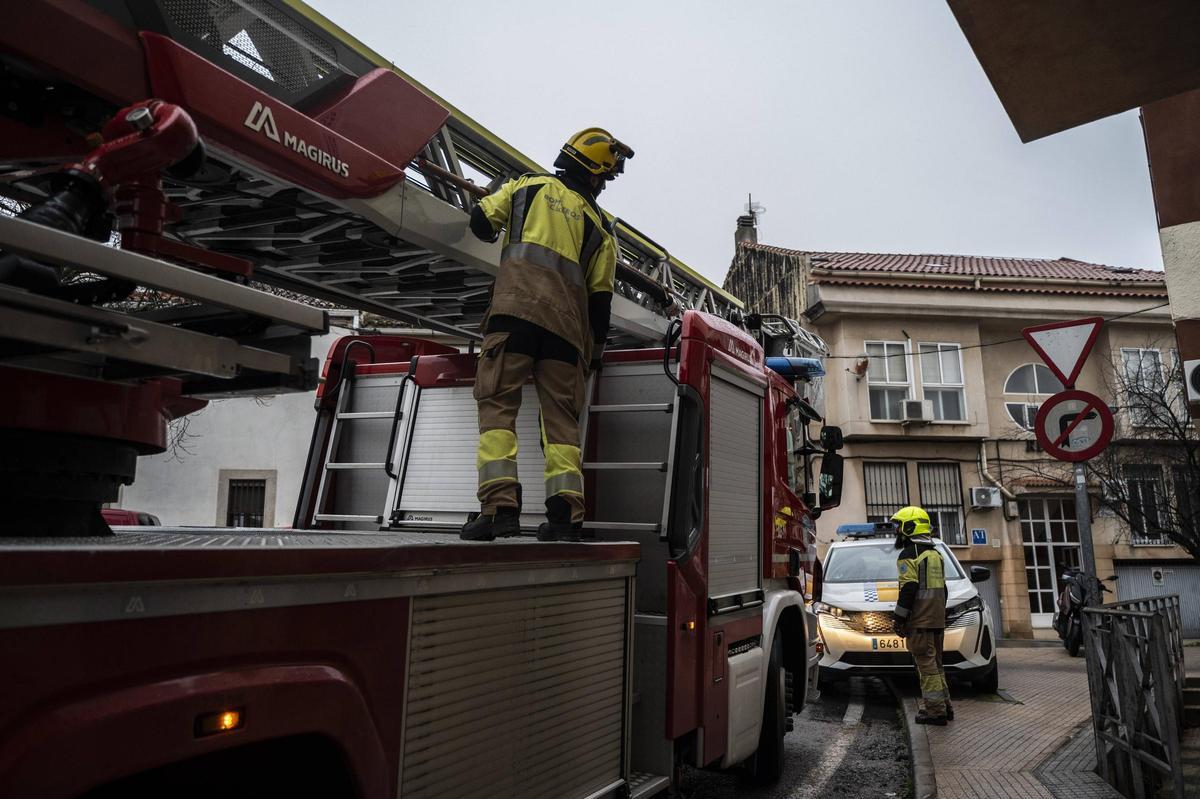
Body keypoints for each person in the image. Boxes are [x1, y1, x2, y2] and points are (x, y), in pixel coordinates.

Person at [459, 128, 632, 543]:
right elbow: (600, 305)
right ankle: (565, 520)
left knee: (498, 406)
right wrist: (593, 355)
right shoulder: (601, 230)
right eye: (604, 178)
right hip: (567, 337)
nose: (603, 186)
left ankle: (499, 510)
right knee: (561, 425)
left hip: (513, 318)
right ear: (593, 173)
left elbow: (481, 224)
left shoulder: (526, 187)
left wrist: (489, 196)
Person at [890, 505, 953, 725]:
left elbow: (909, 588)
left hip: (920, 621)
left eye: (899, 526)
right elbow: (943, 590)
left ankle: (935, 711)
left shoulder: (909, 554)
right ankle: (945, 706)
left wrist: (899, 618)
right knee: (936, 665)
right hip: (936, 619)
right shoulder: (936, 554)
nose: (897, 531)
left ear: (910, 527)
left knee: (926, 666)